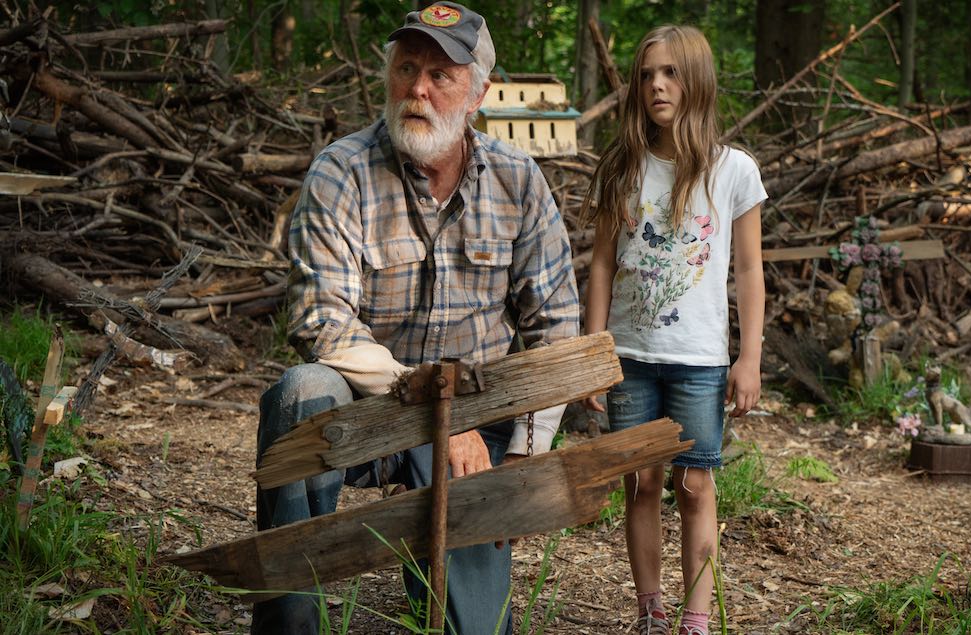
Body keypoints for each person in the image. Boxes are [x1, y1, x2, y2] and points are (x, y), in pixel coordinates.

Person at [252, 3, 578, 634]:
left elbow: (556, 329)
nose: (418, 89)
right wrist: (431, 409)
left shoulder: (519, 182)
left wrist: (522, 456)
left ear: (479, 92)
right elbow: (323, 320)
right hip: (368, 407)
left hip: (476, 423)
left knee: (477, 628)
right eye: (407, 68)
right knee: (300, 393)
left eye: (441, 74)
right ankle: (291, 620)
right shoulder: (341, 171)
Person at [582, 25, 766, 635]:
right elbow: (603, 263)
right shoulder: (623, 167)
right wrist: (594, 354)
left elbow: (747, 269)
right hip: (631, 356)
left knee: (694, 485)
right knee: (642, 484)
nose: (657, 84)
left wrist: (749, 359)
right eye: (646, 75)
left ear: (698, 80)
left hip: (699, 359)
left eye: (671, 72)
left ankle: (696, 617)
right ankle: (650, 611)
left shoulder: (733, 170)